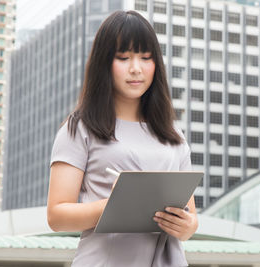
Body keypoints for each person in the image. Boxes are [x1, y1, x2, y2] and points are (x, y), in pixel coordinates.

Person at [47, 10, 198, 267]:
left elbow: (190, 218)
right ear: (105, 63)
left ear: (156, 64)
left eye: (145, 58)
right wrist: (114, 206)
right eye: (124, 57)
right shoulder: (81, 127)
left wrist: (187, 226)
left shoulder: (174, 136)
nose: (135, 69)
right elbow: (56, 215)